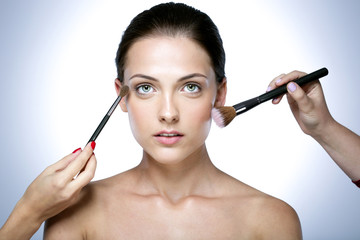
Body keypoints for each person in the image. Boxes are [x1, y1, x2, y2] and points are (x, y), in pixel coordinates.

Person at [0, 2, 358, 239]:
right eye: (145, 88)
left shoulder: (270, 220)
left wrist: (323, 127)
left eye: (189, 86)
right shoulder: (74, 215)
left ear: (220, 95)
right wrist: (30, 211)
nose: (168, 112)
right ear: (120, 96)